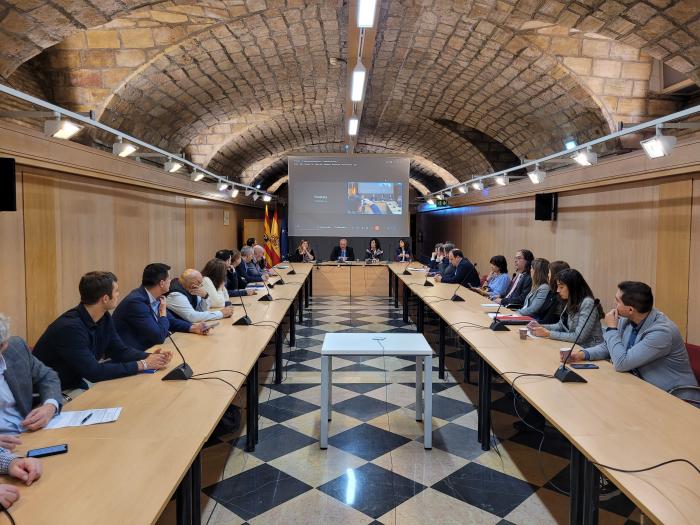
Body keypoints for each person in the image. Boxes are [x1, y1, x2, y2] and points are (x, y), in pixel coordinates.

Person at [34, 271, 172, 390]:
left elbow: (119, 350)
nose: (118, 294)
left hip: (76, 383)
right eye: (116, 291)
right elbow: (94, 372)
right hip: (53, 393)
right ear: (105, 298)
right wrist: (143, 364)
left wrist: (149, 357)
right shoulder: (69, 328)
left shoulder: (103, 317)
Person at [566, 281, 699, 401]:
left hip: (675, 398)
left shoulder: (662, 332)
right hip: (642, 389)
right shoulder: (627, 319)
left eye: (617, 301)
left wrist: (612, 329)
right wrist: (582, 354)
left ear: (630, 310)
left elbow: (622, 363)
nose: (614, 305)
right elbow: (610, 347)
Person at [113, 264, 210, 352]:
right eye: (169, 278)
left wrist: (193, 328)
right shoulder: (136, 302)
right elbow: (158, 336)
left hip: (148, 348)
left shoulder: (153, 296)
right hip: (131, 353)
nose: (171, 281)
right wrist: (163, 313)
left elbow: (171, 321)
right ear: (162, 283)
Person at [0, 314, 61, 434]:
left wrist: (49, 406)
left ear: (3, 345)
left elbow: (47, 376)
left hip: (30, 432)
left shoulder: (16, 348)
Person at [529, 268, 604, 348]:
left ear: (573, 287)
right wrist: (541, 326)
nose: (558, 290)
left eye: (561, 287)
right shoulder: (570, 300)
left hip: (589, 350)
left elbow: (579, 337)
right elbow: (561, 325)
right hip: (573, 347)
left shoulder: (588, 303)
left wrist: (548, 333)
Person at [167, 269, 234, 322]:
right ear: (193, 284)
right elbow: (192, 317)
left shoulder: (190, 288)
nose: (201, 286)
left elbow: (201, 310)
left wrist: (205, 297)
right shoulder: (175, 294)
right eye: (200, 283)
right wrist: (221, 313)